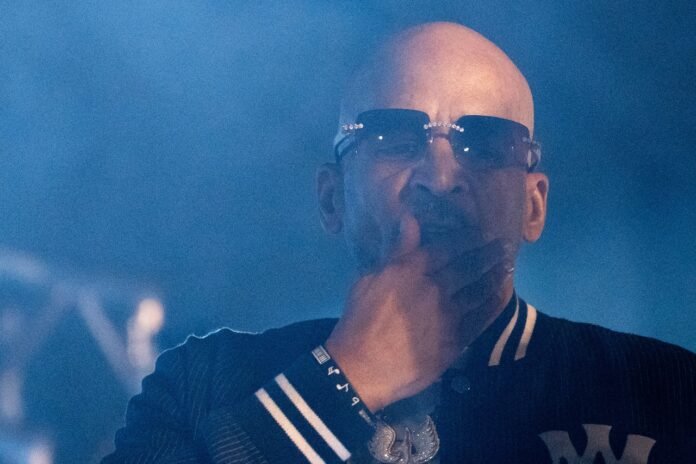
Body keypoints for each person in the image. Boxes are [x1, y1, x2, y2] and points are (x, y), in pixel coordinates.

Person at [102, 22, 696, 463]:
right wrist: (342, 378)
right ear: (332, 199)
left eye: (486, 142)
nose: (440, 177)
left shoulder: (666, 391)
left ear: (534, 205)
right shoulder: (203, 382)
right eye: (393, 137)